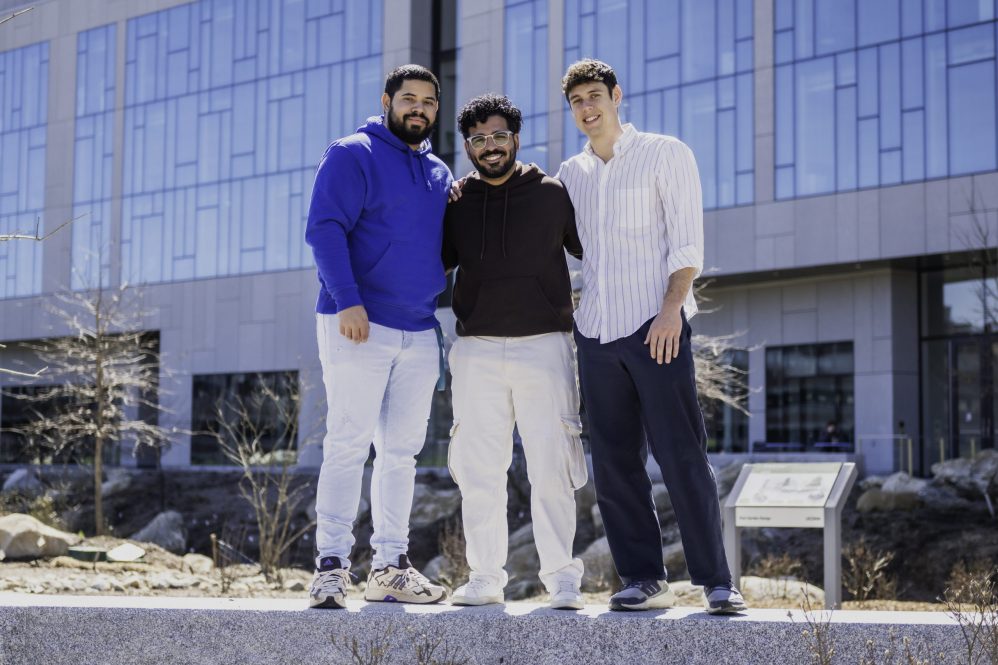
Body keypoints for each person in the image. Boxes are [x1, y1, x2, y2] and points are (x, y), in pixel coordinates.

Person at [556, 59, 747, 614]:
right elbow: (563, 245)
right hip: (594, 333)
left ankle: (716, 580)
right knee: (614, 465)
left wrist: (670, 313)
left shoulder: (667, 153)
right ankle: (644, 578)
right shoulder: (571, 174)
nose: (588, 108)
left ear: (616, 95)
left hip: (655, 328)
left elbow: (687, 246)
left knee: (682, 454)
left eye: (595, 96)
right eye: (577, 102)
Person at [304, 64, 452, 609]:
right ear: (387, 100)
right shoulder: (352, 153)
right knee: (347, 444)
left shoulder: (437, 172)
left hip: (418, 329)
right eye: (408, 98)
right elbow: (324, 228)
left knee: (401, 454)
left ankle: (390, 565)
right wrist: (347, 299)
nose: (419, 108)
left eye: (428, 102)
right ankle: (331, 566)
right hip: (358, 323)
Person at [442, 94, 587, 609]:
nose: (490, 147)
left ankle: (562, 580)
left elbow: (594, 248)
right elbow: (434, 263)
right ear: (468, 147)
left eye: (499, 136)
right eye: (478, 139)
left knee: (552, 465)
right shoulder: (456, 202)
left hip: (544, 345)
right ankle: (484, 577)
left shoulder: (551, 193)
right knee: (479, 470)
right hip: (476, 349)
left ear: (516, 139)